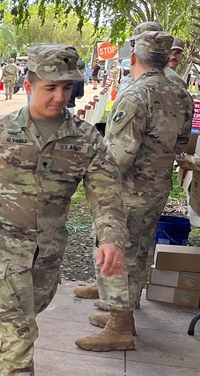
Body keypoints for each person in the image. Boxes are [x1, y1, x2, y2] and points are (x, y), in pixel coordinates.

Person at [0, 44, 127, 376]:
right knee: (19, 327)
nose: (59, 96)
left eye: (67, 88)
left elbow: (105, 195)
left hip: (48, 252)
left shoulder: (87, 139)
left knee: (18, 320)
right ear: (29, 85)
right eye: (50, 87)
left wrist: (109, 238)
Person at [75, 31, 194, 351]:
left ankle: (119, 326)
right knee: (140, 250)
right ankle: (122, 314)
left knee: (118, 254)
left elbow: (118, 155)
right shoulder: (179, 92)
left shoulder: (136, 94)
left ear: (133, 58)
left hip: (127, 189)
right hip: (156, 186)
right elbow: (183, 141)